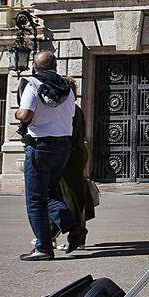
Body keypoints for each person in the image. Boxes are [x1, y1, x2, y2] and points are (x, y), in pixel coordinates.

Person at [15, 51, 79, 261]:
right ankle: (74, 227)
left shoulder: (32, 83)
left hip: (41, 145)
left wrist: (18, 114)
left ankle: (43, 247)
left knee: (35, 199)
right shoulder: (68, 89)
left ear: (36, 66)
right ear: (55, 65)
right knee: (50, 192)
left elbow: (25, 114)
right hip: (63, 147)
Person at [56, 77, 94, 253]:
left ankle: (74, 236)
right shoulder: (76, 109)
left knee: (68, 197)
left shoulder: (66, 109)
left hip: (68, 155)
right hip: (77, 153)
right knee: (73, 196)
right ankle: (70, 236)